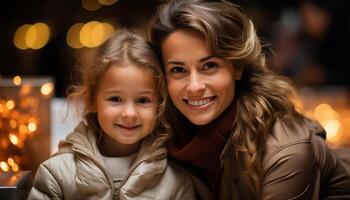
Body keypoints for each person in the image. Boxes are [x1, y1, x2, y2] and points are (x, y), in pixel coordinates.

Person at [149, 0, 350, 199]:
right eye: (178, 70)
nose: (194, 86)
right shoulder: (165, 138)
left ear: (237, 67)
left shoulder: (284, 151)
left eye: (209, 66)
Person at [28, 30, 195, 200]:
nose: (129, 113)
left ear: (160, 104)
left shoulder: (177, 183)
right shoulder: (56, 175)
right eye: (115, 99)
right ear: (93, 100)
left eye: (143, 100)